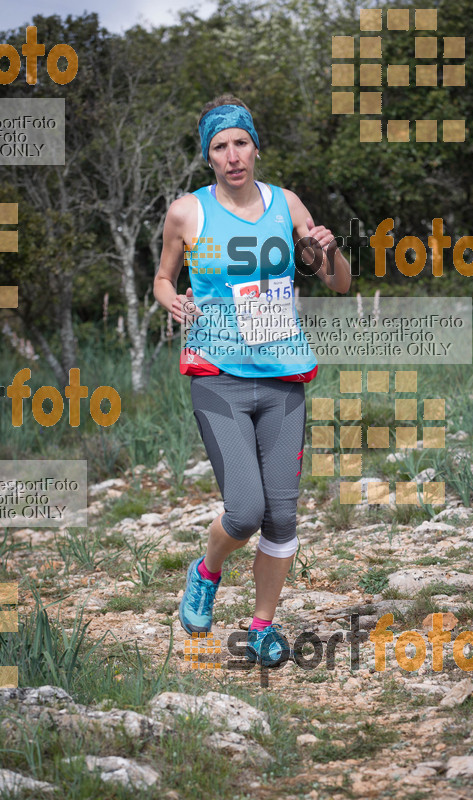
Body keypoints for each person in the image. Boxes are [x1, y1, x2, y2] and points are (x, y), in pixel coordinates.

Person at [153, 94, 351, 667]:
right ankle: (206, 571)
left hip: (284, 375)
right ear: (208, 157)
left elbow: (337, 283)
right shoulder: (186, 213)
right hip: (217, 375)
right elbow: (164, 278)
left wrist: (324, 254)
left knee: (283, 515)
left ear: (255, 147)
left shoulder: (286, 204)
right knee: (243, 511)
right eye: (220, 146)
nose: (233, 155)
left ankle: (262, 625)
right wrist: (174, 303)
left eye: (241, 142)